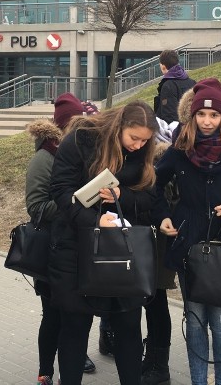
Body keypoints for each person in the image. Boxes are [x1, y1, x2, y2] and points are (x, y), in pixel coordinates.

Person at [154, 78, 221, 385]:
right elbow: (155, 185)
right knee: (196, 318)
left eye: (213, 115)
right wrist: (163, 215)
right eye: (201, 115)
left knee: (220, 321)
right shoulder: (179, 149)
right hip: (189, 245)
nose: (206, 121)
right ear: (191, 116)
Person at [50, 100, 159, 385]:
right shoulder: (83, 138)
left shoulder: (143, 151)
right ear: (119, 126)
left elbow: (151, 199)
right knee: (74, 325)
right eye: (133, 138)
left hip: (123, 251)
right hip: (77, 247)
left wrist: (124, 196)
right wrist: (93, 220)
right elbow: (60, 191)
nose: (138, 145)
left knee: (128, 326)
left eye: (145, 140)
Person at [25, 93, 96, 385]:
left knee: (74, 314)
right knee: (52, 313)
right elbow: (37, 207)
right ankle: (46, 370)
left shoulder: (82, 152)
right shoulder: (45, 157)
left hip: (76, 247)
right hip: (49, 247)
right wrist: (75, 201)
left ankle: (75, 355)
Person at [154, 49, 195, 124]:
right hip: (191, 128)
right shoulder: (192, 82)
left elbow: (169, 115)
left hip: (175, 131)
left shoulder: (168, 86)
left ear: (163, 66)